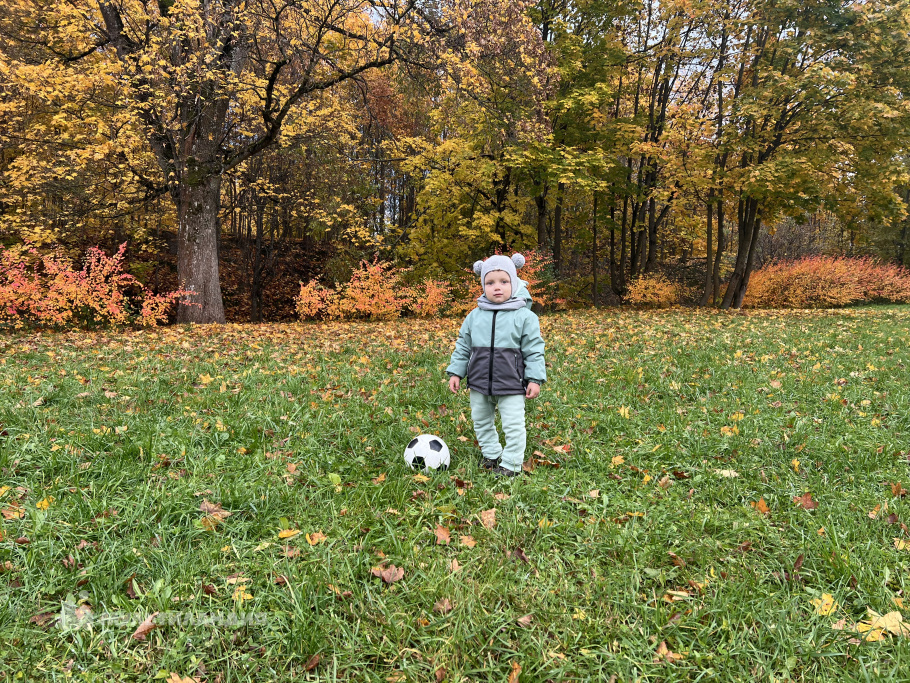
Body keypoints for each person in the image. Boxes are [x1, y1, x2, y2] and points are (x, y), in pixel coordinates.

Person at [446, 254, 546, 477]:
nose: (497, 287)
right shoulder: (474, 316)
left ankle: (511, 464)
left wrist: (535, 378)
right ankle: (491, 453)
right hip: (479, 381)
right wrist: (456, 372)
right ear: (483, 286)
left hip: (512, 382)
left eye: (504, 281)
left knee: (513, 425)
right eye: (490, 282)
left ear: (514, 283)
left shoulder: (525, 317)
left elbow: (534, 350)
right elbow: (463, 346)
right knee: (481, 420)